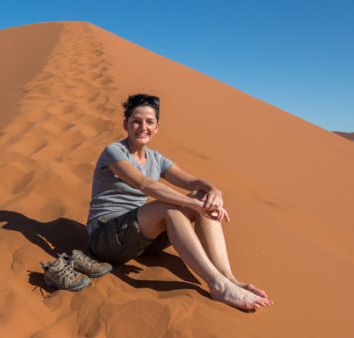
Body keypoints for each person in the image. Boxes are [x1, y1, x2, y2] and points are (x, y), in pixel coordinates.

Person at [86, 93, 272, 310]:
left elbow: (192, 181)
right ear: (125, 124)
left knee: (202, 196)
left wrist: (213, 190)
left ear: (157, 127)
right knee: (171, 206)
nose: (142, 127)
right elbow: (145, 185)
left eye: (149, 122)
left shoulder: (156, 159)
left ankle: (229, 278)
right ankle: (217, 285)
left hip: (141, 240)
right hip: (106, 237)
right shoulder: (114, 152)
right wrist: (194, 206)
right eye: (136, 121)